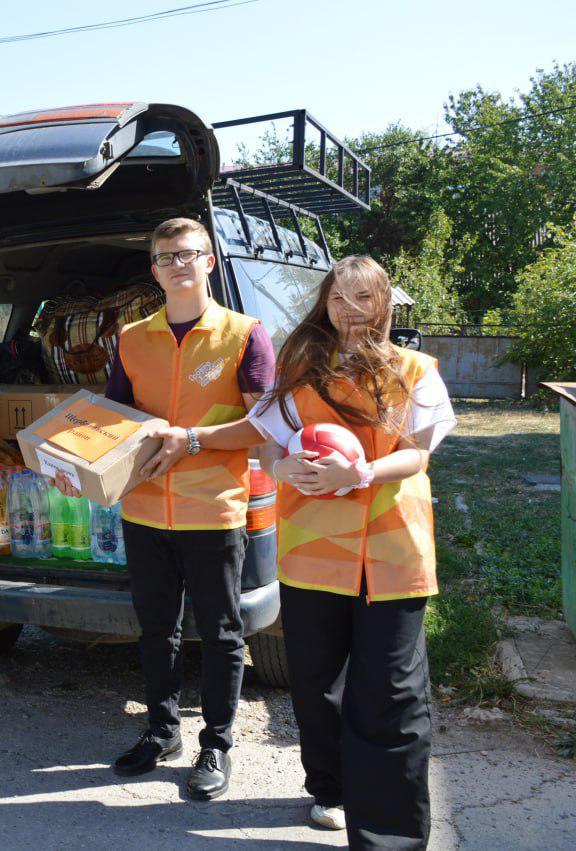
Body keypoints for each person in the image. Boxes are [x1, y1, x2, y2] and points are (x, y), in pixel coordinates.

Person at [58, 217, 275, 800]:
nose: (178, 265)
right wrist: (75, 464)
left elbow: (266, 425)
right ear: (154, 270)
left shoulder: (245, 333)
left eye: (188, 254)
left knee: (224, 632)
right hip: (145, 510)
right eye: (165, 258)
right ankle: (162, 730)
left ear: (208, 261)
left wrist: (194, 439)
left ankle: (219, 743)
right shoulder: (131, 337)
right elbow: (111, 421)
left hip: (213, 509)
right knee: (157, 629)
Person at [250, 255, 455, 846]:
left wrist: (361, 472)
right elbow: (266, 445)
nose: (348, 311)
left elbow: (416, 454)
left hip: (391, 552)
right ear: (325, 302)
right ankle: (332, 789)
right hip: (313, 550)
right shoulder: (300, 368)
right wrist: (284, 463)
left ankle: (389, 835)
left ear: (384, 303)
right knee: (317, 683)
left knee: (391, 690)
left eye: (362, 298)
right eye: (338, 298)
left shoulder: (413, 371)